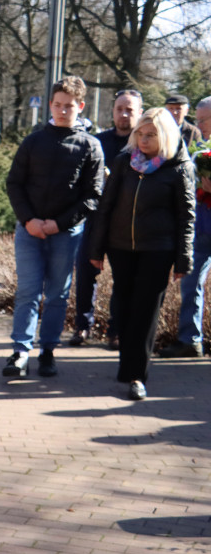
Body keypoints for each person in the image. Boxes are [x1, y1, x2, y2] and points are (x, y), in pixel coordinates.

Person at [88, 108, 196, 400]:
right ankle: (127, 367)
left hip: (158, 250)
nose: (144, 140)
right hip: (121, 247)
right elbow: (106, 207)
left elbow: (187, 216)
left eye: (151, 135)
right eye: (140, 134)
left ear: (166, 136)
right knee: (123, 310)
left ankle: (137, 375)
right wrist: (96, 249)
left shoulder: (178, 167)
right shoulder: (124, 162)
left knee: (145, 313)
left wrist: (183, 259)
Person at [2, 76, 104, 377]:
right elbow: (14, 184)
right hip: (29, 231)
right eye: (57, 105)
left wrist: (57, 224)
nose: (62, 111)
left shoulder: (90, 146)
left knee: (58, 295)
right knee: (28, 292)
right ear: (50, 105)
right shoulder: (33, 141)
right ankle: (20, 352)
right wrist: (30, 221)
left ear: (80, 106)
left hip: (66, 234)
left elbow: (92, 196)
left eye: (69, 106)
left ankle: (47, 351)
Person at [70, 88, 142, 348]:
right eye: (119, 109)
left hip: (126, 223)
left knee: (123, 280)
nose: (123, 114)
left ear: (139, 113)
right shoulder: (97, 141)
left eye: (129, 110)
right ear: (112, 111)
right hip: (95, 218)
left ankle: (116, 330)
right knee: (86, 275)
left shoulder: (142, 143)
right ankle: (82, 327)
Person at [159, 95, 211, 359]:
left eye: (203, 120)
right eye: (198, 119)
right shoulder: (201, 149)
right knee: (191, 281)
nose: (198, 125)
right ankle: (190, 339)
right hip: (202, 226)